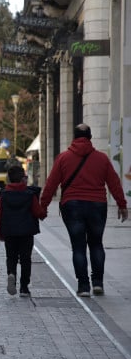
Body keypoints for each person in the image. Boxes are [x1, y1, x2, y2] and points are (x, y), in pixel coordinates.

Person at [40, 123, 128, 297]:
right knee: (96, 244)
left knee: (78, 247)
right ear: (90, 137)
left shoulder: (63, 158)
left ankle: (83, 286)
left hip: (72, 205)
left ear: (74, 137)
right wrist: (122, 204)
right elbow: (114, 182)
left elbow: (51, 184)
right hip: (97, 205)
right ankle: (98, 283)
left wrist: (43, 206)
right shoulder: (102, 159)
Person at [0, 166, 46, 297]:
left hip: (9, 232)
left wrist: (0, 232)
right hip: (26, 233)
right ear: (23, 179)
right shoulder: (29, 194)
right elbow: (38, 212)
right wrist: (43, 213)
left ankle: (11, 273)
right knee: (25, 259)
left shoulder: (4, 195)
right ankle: (24, 287)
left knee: (11, 257)